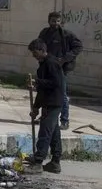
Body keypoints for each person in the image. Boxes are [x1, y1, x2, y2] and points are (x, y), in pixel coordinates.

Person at [37, 11, 83, 130]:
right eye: (53, 21)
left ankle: (64, 120)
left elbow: (78, 47)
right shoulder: (44, 33)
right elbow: (39, 46)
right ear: (49, 21)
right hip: (46, 68)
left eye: (58, 21)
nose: (56, 24)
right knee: (45, 92)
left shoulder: (67, 35)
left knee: (61, 94)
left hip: (61, 69)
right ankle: (46, 117)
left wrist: (65, 59)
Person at [26, 38, 65, 174]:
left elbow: (55, 83)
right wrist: (36, 107)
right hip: (48, 102)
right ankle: (55, 162)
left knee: (45, 132)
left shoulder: (52, 63)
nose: (34, 55)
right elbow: (42, 91)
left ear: (42, 50)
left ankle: (38, 162)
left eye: (35, 52)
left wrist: (37, 82)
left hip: (54, 102)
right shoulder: (42, 66)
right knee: (54, 133)